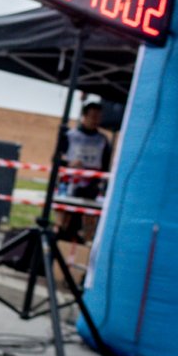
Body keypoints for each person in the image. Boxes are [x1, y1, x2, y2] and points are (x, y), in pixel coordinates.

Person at [53, 101, 114, 254]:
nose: (96, 120)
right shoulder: (70, 136)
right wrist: (69, 163)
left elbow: (106, 167)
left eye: (98, 117)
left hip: (91, 187)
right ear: (84, 116)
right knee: (63, 220)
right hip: (69, 184)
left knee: (88, 222)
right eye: (93, 116)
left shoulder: (102, 140)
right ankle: (58, 248)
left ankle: (83, 250)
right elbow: (56, 159)